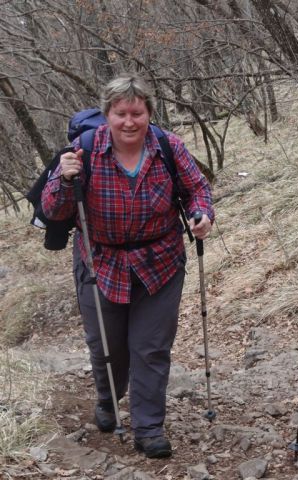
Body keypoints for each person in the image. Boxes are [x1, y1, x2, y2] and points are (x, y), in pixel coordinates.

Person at [41, 74, 213, 459]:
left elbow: (197, 188)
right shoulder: (82, 151)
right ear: (108, 115)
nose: (129, 122)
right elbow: (53, 208)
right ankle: (108, 398)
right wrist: (66, 180)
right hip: (101, 261)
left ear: (149, 113)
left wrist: (202, 214)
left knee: (150, 348)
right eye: (120, 113)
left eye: (137, 112)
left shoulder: (169, 147)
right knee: (107, 347)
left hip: (161, 261)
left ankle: (149, 427)